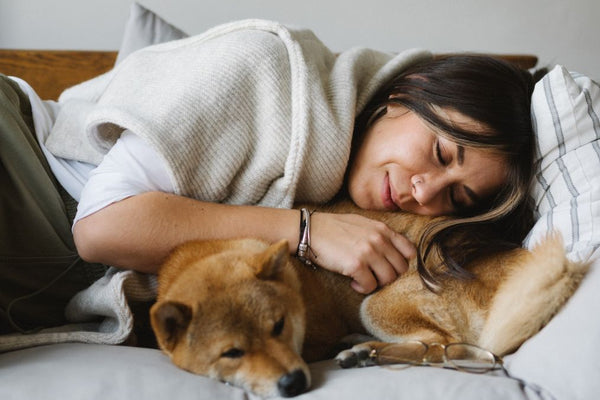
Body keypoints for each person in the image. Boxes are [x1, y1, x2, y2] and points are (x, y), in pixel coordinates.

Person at [0, 21, 537, 335]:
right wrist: (306, 231)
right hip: (25, 162)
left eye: (457, 196)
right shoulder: (263, 69)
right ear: (408, 92)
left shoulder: (355, 190)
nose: (424, 191)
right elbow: (101, 228)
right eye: (441, 153)